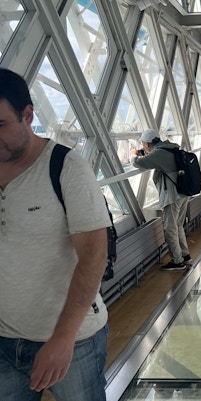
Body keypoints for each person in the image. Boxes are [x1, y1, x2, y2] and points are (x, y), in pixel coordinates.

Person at [0, 68, 111, 400]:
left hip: (73, 342)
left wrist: (63, 338)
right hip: (4, 341)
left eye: (0, 125)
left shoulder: (65, 167)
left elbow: (94, 255)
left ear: (28, 115)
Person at [131, 129, 191, 270]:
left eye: (143, 144)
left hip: (172, 196)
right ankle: (185, 254)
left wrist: (133, 155)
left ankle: (177, 261)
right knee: (178, 225)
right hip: (183, 192)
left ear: (147, 144)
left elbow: (139, 163)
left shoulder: (159, 154)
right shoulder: (171, 147)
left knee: (170, 228)